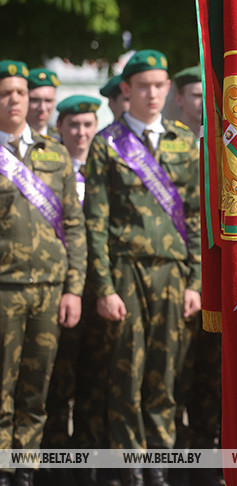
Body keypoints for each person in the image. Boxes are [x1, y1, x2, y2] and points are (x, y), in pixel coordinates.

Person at [81, 49, 201, 486]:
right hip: (126, 271)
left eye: (159, 85)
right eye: (144, 86)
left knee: (166, 376)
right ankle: (129, 467)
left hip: (173, 274)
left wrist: (196, 280)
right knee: (126, 376)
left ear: (168, 88)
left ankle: (161, 466)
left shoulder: (183, 142)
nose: (153, 94)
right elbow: (94, 221)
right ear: (126, 91)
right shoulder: (105, 143)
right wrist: (105, 287)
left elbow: (193, 218)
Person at [0, 60, 86, 486]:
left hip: (49, 292)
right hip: (4, 290)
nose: (14, 100)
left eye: (20, 92)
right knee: (0, 389)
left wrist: (73, 289)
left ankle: (26, 470)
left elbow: (74, 223)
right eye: (6, 93)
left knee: (37, 390)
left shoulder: (55, 154)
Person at [39, 96, 100, 484]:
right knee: (58, 384)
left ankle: (92, 467)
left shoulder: (108, 167)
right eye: (73, 126)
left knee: (96, 383)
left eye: (88, 125)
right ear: (59, 129)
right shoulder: (47, 169)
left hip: (103, 294)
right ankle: (58, 468)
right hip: (62, 294)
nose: (81, 133)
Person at [170, 64, 222, 486]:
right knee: (179, 377)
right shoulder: (169, 147)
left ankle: (211, 462)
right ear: (179, 99)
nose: (201, 103)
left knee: (216, 377)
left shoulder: (226, 144)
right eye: (194, 95)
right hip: (183, 277)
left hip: (219, 279)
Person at [26, 67, 60, 140]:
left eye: (48, 101)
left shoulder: (60, 140)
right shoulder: (9, 139)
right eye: (35, 100)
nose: (42, 108)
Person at [172, 66, 203, 139]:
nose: (204, 102)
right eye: (197, 95)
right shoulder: (169, 136)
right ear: (179, 99)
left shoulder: (219, 139)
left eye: (208, 97)